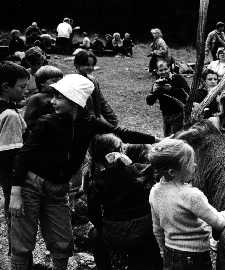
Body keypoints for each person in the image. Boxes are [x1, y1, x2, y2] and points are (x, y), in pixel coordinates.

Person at [8, 74, 158, 270]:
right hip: (31, 185)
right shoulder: (46, 123)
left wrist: (155, 139)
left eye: (59, 97)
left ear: (74, 101)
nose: (53, 101)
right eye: (53, 97)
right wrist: (15, 192)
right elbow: (23, 156)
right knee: (23, 243)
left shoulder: (89, 122)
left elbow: (120, 132)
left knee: (63, 242)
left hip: (57, 189)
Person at [148, 138, 225, 270]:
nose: (195, 166)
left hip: (170, 253)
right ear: (172, 172)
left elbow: (157, 229)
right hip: (194, 258)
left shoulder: (154, 191)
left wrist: (163, 251)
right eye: (190, 164)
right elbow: (221, 223)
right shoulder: (192, 195)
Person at [87, 134, 162, 270]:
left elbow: (93, 214)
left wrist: (104, 227)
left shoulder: (96, 181)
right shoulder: (141, 171)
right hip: (145, 231)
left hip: (113, 232)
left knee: (95, 235)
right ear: (120, 151)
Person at [0, 61, 29, 256]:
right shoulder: (9, 114)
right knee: (16, 215)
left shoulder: (6, 107)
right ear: (5, 87)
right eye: (21, 87)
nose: (25, 91)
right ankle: (17, 256)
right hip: (11, 175)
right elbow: (12, 155)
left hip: (4, 173)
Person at [74, 50, 118, 126]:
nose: (91, 68)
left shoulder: (93, 80)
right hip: (84, 123)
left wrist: (112, 118)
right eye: (87, 65)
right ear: (77, 65)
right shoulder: (73, 82)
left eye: (93, 65)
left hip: (96, 118)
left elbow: (101, 101)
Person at [146, 59, 189, 136]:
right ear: (157, 71)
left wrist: (171, 89)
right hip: (166, 114)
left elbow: (188, 94)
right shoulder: (158, 83)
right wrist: (155, 91)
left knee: (177, 136)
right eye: (161, 70)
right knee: (167, 137)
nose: (164, 72)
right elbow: (149, 102)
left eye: (165, 69)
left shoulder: (178, 78)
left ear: (169, 68)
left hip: (179, 112)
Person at [24, 65, 63, 131]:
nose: (58, 84)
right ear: (42, 82)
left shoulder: (59, 97)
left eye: (60, 81)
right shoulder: (36, 98)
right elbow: (28, 121)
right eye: (55, 81)